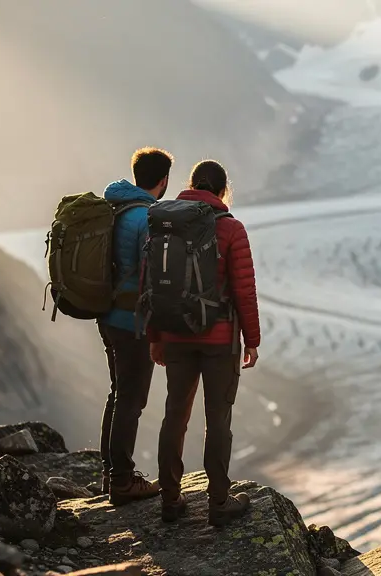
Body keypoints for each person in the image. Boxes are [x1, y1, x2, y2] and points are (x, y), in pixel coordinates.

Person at [147, 159, 261, 524]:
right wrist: (252, 340)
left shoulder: (164, 223)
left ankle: (169, 498)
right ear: (223, 190)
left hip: (175, 334)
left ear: (191, 185)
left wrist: (156, 336)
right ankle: (218, 502)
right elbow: (244, 291)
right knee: (218, 419)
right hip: (219, 339)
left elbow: (153, 286)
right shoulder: (231, 229)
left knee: (174, 415)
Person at [98, 147, 173, 505]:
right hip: (132, 321)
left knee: (118, 394)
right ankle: (123, 480)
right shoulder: (147, 217)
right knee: (131, 399)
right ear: (163, 181)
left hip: (107, 315)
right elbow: (153, 278)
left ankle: (109, 474)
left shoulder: (116, 207)